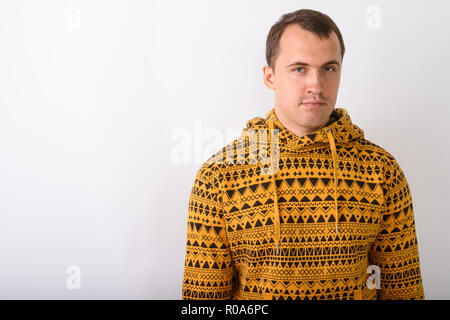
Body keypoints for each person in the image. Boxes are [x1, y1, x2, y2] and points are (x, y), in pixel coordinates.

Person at [182, 8, 424, 300]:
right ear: (270, 77)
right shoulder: (219, 176)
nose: (316, 85)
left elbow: (403, 289)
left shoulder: (381, 169)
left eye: (329, 68)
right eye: (299, 69)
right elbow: (203, 303)